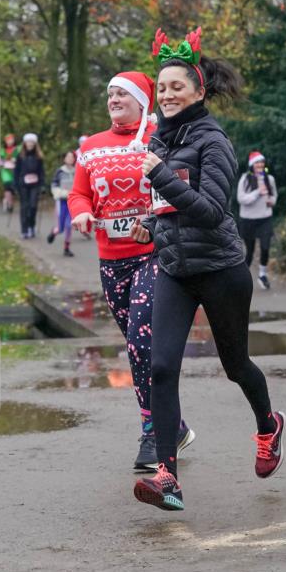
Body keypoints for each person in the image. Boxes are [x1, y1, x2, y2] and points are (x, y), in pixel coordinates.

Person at [130, 27, 286, 512]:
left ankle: (268, 424)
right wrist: (148, 222)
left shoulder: (213, 141)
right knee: (159, 367)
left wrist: (156, 174)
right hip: (175, 268)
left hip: (221, 269)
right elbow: (172, 208)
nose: (168, 94)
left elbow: (213, 211)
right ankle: (167, 478)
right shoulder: (159, 137)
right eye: (163, 88)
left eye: (178, 86)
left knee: (235, 365)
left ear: (199, 90)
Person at [68, 71, 195, 471]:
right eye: (109, 93)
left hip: (154, 254)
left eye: (122, 92)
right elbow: (78, 192)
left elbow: (180, 183)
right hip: (112, 260)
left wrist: (160, 225)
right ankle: (173, 424)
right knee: (138, 348)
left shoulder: (162, 136)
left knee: (143, 344)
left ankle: (151, 431)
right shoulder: (91, 145)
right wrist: (82, 212)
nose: (113, 99)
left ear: (142, 101)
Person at [237, 151, 278, 290]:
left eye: (261, 162)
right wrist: (257, 193)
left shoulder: (269, 179)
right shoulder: (245, 178)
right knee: (250, 251)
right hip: (248, 220)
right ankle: (242, 279)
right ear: (252, 165)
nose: (260, 165)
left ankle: (262, 275)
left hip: (265, 218)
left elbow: (274, 196)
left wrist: (271, 201)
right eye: (257, 163)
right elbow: (241, 199)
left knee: (266, 248)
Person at [14, 132, 44, 238]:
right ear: (25, 143)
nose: (30, 144)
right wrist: (15, 184)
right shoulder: (20, 155)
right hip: (23, 184)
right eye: (28, 142)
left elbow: (41, 171)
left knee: (33, 206)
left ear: (35, 143)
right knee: (24, 207)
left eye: (32, 142)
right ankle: (24, 230)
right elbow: (16, 171)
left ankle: (31, 226)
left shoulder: (39, 156)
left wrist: (42, 184)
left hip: (35, 184)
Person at [47, 150, 76, 255]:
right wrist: (61, 193)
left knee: (69, 225)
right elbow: (54, 185)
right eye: (68, 157)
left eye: (72, 157)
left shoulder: (76, 171)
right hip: (61, 202)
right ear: (64, 159)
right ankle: (54, 232)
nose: (70, 159)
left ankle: (66, 248)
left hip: (72, 203)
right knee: (60, 228)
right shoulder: (59, 171)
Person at [0, 133, 18, 214]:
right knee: (7, 186)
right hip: (6, 171)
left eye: (11, 140)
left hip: (15, 170)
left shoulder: (17, 149)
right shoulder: (2, 150)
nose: (10, 142)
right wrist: (3, 162)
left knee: (13, 188)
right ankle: (10, 205)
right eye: (8, 140)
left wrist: (16, 161)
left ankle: (8, 201)